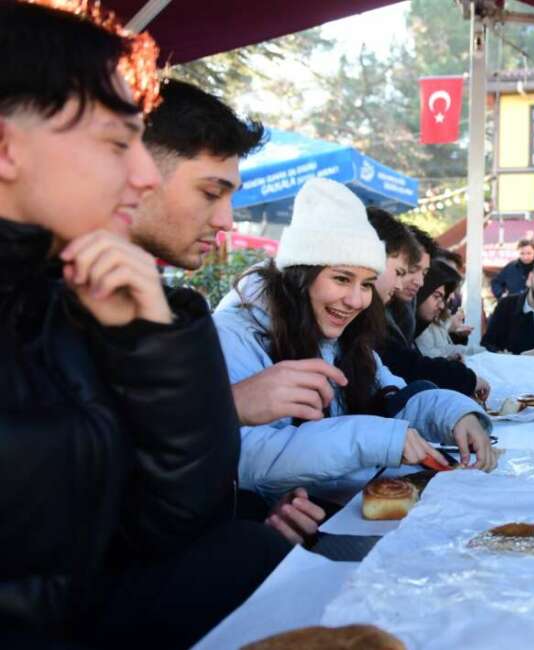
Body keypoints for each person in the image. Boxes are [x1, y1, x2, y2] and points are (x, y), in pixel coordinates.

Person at [0, 4, 288, 647]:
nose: (140, 176)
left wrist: (154, 342)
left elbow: (173, 521)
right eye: (115, 143)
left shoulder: (59, 300)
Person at [214, 178, 497, 504]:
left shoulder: (346, 336)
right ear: (299, 275)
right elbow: (246, 455)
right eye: (341, 278)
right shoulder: (234, 336)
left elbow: (394, 396)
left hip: (346, 509)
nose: (356, 300)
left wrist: (456, 414)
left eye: (366, 284)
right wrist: (374, 437)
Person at [131, 78, 327, 544]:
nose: (226, 220)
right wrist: (230, 405)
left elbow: (167, 504)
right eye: (210, 192)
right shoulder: (44, 310)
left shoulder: (162, 309)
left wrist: (256, 516)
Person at [369, 207, 491, 401]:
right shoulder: (376, 316)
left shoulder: (400, 317)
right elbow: (402, 365)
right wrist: (463, 378)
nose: (419, 282)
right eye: (408, 270)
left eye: (424, 273)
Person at [414, 259, 478, 358]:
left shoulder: (433, 318)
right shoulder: (415, 325)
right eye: (436, 296)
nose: (442, 305)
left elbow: (445, 349)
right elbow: (429, 357)